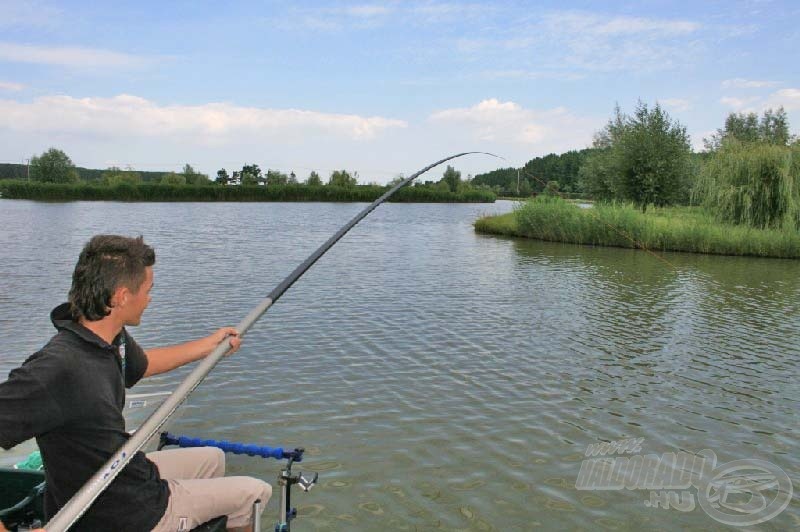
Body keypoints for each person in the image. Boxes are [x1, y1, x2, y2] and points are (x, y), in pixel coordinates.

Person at [0, 235, 271, 531]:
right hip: (121, 515)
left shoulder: (105, 339)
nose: (150, 298)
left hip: (118, 479)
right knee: (255, 494)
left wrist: (208, 346)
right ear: (121, 296)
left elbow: (141, 366)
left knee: (212, 459)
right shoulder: (56, 369)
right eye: (147, 290)